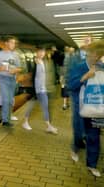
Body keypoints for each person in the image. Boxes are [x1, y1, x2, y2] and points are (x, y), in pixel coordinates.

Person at [68, 39, 104, 177]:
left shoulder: (102, 67)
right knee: (79, 133)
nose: (98, 59)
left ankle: (92, 164)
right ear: (91, 54)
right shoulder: (79, 67)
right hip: (80, 107)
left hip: (96, 108)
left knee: (94, 136)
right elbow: (71, 85)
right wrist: (84, 77)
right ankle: (75, 147)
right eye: (97, 56)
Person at [66, 36, 92, 164]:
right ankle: (75, 147)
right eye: (85, 40)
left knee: (88, 121)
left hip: (90, 95)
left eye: (89, 41)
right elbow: (69, 74)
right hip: (77, 93)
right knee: (78, 121)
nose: (87, 43)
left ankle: (82, 141)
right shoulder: (74, 57)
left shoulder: (95, 58)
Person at [21, 46, 58, 134]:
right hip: (38, 89)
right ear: (37, 52)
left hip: (42, 88)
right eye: (40, 51)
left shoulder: (42, 62)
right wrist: (37, 89)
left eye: (43, 52)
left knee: (36, 106)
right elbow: (33, 76)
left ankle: (26, 122)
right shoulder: (35, 62)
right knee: (42, 106)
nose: (42, 53)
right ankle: (47, 126)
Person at [0, 36, 22, 126]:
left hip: (12, 79)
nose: (13, 44)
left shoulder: (16, 55)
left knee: (10, 100)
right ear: (6, 43)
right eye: (11, 42)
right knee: (6, 100)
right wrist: (1, 68)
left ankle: (7, 117)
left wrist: (15, 70)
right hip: (2, 78)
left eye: (14, 43)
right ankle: (5, 121)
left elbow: (20, 68)